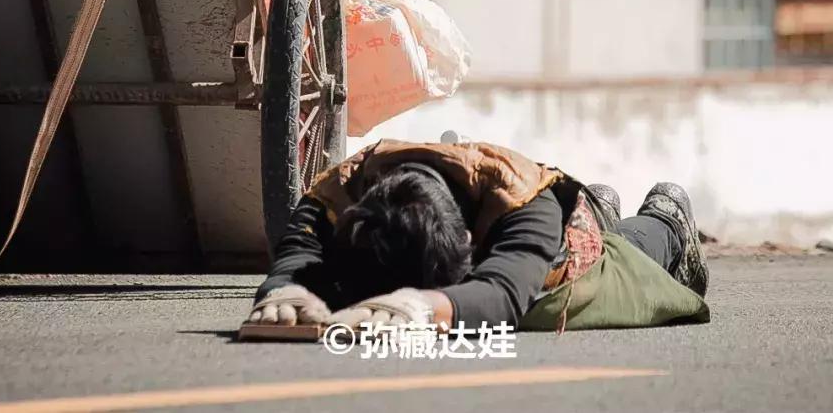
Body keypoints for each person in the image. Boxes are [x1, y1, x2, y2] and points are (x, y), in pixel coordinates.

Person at [242, 138, 709, 335]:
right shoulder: (338, 193)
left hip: (566, 255)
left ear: (467, 240)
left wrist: (422, 307)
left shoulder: (526, 199)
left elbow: (503, 294)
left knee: (628, 256)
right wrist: (286, 287)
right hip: (528, 233)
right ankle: (603, 204)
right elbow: (300, 252)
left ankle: (667, 218)